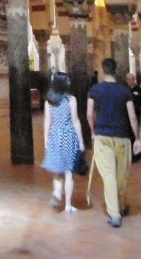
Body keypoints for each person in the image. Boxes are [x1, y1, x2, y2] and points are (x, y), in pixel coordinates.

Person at [87, 57, 141, 228]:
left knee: (109, 175)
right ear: (116, 70)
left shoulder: (95, 90)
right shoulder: (124, 91)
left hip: (103, 136)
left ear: (103, 70)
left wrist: (93, 132)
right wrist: (137, 138)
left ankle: (114, 213)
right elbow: (132, 116)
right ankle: (121, 205)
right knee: (121, 175)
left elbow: (89, 114)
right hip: (123, 136)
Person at [40, 72, 84, 213]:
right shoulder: (71, 100)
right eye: (68, 81)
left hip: (55, 135)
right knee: (69, 172)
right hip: (68, 135)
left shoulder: (49, 101)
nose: (70, 83)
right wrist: (81, 140)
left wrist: (46, 137)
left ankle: (57, 193)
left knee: (57, 170)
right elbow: (75, 120)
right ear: (64, 83)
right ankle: (68, 205)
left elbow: (47, 120)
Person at [127, 73, 141, 155]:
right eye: (128, 79)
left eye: (132, 79)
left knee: (135, 131)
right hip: (127, 115)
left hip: (137, 114)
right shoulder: (125, 90)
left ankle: (137, 151)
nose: (130, 81)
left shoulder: (140, 90)